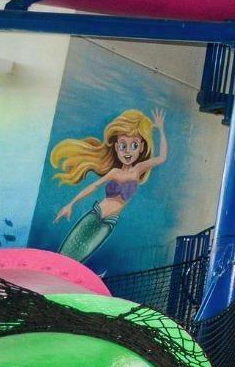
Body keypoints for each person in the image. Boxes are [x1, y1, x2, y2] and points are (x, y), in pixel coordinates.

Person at [50, 108, 168, 262]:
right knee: (67, 250)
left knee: (81, 254)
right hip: (96, 212)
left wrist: (161, 129)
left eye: (134, 145)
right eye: (123, 146)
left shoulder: (138, 169)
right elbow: (93, 186)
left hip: (110, 220)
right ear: (117, 147)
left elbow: (162, 158)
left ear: (141, 148)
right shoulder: (114, 172)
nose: (127, 151)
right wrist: (71, 204)